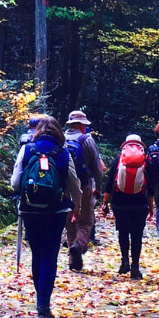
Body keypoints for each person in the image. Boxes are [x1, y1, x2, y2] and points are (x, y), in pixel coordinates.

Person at [10, 116, 82, 318]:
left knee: (37, 253)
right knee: (50, 255)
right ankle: (44, 304)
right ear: (59, 132)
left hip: (30, 209)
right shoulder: (63, 152)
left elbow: (15, 182)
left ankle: (40, 300)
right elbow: (74, 183)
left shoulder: (27, 149)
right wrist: (76, 206)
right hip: (55, 211)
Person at [103, 133, 152, 278]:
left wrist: (105, 202)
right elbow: (151, 186)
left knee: (123, 232)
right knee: (137, 235)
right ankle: (135, 267)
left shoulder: (118, 160)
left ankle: (124, 263)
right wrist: (151, 207)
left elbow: (111, 182)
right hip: (140, 203)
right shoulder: (145, 161)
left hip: (119, 203)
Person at [63, 110, 104, 271]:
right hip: (83, 185)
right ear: (81, 125)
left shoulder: (61, 139)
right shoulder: (87, 140)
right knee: (86, 221)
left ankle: (73, 260)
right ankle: (78, 246)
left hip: (64, 188)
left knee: (69, 223)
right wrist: (98, 189)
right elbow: (97, 168)